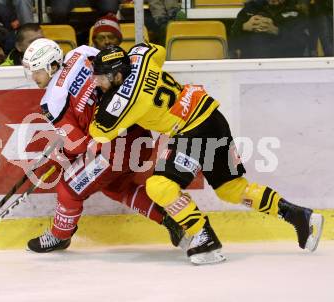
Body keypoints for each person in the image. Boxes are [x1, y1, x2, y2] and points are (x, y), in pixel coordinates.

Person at [89, 44, 324, 259]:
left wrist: (101, 101)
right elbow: (158, 49)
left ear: (117, 76)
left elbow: (99, 133)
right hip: (213, 118)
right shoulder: (141, 58)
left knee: (158, 186)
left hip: (192, 130)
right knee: (231, 189)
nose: (96, 82)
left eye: (100, 77)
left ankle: (203, 236)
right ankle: (300, 217)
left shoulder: (124, 100)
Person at [21, 39, 223, 264]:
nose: (33, 77)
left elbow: (77, 146)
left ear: (50, 66)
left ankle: (59, 236)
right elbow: (119, 72)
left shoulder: (51, 102)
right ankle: (169, 220)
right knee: (115, 186)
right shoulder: (82, 53)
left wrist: (59, 155)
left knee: (68, 187)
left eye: (36, 71)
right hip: (138, 134)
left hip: (110, 149)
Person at [230, 0, 309, 58]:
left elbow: (301, 43)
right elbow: (231, 39)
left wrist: (276, 30)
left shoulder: (297, 12)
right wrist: (244, 27)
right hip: (251, 65)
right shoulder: (250, 9)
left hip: (284, 64)